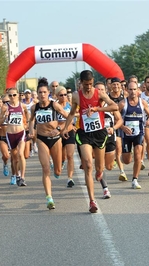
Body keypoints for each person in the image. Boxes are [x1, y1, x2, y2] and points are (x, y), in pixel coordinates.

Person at [61, 70, 118, 213]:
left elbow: (114, 106)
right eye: (86, 84)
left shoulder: (99, 93)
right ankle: (92, 201)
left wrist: (97, 108)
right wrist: (65, 128)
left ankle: (100, 173)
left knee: (99, 168)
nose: (88, 87)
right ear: (80, 83)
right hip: (84, 133)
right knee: (87, 164)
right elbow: (72, 113)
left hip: (99, 132)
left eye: (91, 84)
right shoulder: (76, 96)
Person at [28, 80, 69, 209]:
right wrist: (30, 131)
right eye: (40, 92)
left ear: (48, 93)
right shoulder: (34, 107)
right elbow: (31, 120)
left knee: (57, 170)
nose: (42, 95)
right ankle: (49, 198)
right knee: (45, 168)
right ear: (37, 94)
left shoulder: (54, 105)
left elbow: (69, 117)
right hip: (41, 139)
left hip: (56, 138)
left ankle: (57, 168)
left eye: (44, 92)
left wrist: (59, 129)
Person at [119, 82, 149, 189]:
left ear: (138, 90)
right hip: (126, 135)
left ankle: (135, 179)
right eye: (130, 89)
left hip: (139, 133)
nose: (132, 92)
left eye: (134, 89)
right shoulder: (122, 104)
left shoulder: (142, 103)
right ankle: (125, 154)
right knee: (127, 160)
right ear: (127, 90)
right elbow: (116, 119)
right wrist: (123, 127)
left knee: (138, 155)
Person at [0, 87, 29, 186]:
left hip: (20, 132)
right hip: (10, 134)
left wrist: (26, 123)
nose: (12, 97)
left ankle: (22, 177)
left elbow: (27, 113)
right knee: (14, 158)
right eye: (10, 95)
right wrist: (4, 117)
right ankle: (17, 175)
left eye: (14, 95)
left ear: (18, 95)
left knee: (20, 154)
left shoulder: (22, 106)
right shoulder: (5, 107)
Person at [95, 82, 122, 198]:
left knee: (109, 166)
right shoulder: (91, 105)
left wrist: (114, 128)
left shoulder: (110, 105)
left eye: (102, 90)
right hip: (97, 139)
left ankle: (100, 170)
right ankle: (105, 189)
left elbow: (120, 120)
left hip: (110, 138)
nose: (100, 92)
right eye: (98, 90)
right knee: (100, 166)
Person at [55, 85, 77, 188]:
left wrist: (74, 126)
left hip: (69, 132)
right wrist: (59, 128)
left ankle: (70, 178)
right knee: (61, 157)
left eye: (65, 94)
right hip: (59, 134)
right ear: (57, 96)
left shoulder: (70, 105)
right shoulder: (55, 106)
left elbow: (73, 118)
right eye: (61, 95)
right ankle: (61, 162)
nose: (64, 96)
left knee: (70, 155)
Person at [108, 77, 128, 181]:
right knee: (118, 148)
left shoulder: (125, 96)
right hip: (115, 126)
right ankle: (122, 172)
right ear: (110, 86)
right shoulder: (107, 98)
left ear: (121, 85)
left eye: (117, 84)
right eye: (114, 84)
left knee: (127, 157)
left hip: (127, 125)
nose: (116, 86)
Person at [0, 95, 11, 177]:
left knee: (15, 158)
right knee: (6, 156)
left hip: (12, 135)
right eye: (4, 102)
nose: (6, 104)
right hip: (3, 136)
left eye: (7, 102)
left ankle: (15, 175)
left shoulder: (16, 110)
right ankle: (5, 164)